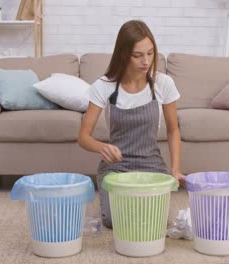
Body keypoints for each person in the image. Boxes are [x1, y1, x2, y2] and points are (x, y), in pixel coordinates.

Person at [78, 20, 184, 228]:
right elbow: (83, 137)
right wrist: (102, 147)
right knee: (115, 221)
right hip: (116, 169)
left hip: (151, 164)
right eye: (138, 55)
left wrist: (175, 169)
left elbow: (173, 130)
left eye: (150, 53)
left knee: (155, 219)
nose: (146, 61)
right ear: (123, 54)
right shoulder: (105, 85)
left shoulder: (163, 83)